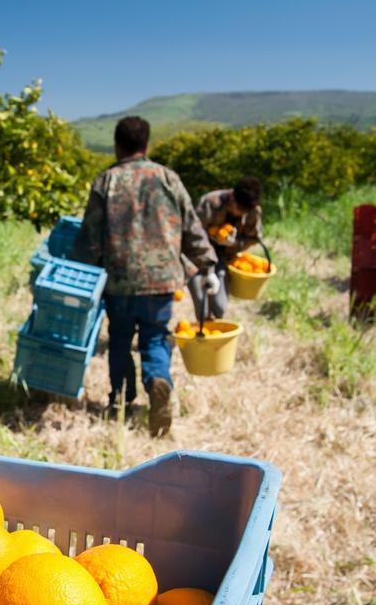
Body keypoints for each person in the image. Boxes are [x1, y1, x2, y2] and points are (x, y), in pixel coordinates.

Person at [72, 116, 220, 436]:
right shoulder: (168, 178)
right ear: (146, 145)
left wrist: (77, 268)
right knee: (155, 336)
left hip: (120, 280)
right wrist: (207, 266)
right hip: (162, 279)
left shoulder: (106, 181)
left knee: (121, 339)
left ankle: (120, 400)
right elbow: (192, 227)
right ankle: (158, 380)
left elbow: (90, 236)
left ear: (117, 145)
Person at [187, 176, 264, 320]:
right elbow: (191, 236)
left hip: (222, 259)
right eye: (239, 208)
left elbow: (254, 238)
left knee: (220, 308)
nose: (240, 213)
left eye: (244, 211)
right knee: (203, 312)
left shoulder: (253, 210)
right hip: (198, 260)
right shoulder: (209, 203)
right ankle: (205, 335)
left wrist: (234, 243)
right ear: (232, 197)